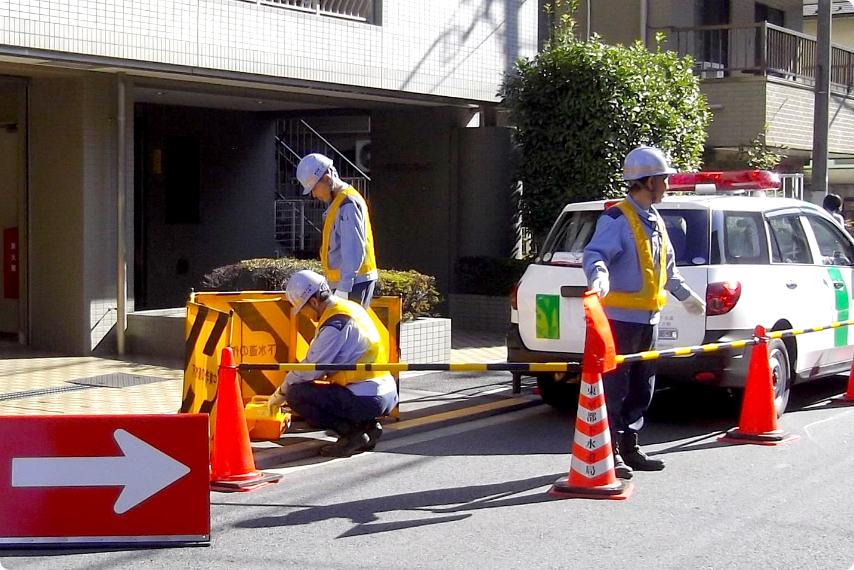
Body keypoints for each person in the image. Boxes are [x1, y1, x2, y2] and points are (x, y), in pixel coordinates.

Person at [582, 145, 706, 480]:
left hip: (649, 320)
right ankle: (609, 452)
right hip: (620, 321)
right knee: (615, 387)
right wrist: (599, 276)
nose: (668, 185)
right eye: (664, 179)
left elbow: (668, 271)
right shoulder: (616, 218)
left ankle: (631, 447)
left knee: (642, 387)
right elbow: (595, 254)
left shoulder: (656, 221)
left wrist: (686, 296)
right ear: (648, 181)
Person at [267, 270, 398, 457]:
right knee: (322, 394)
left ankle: (352, 434)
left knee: (297, 394)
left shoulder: (335, 325)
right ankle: (368, 427)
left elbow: (310, 370)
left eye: (303, 309)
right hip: (385, 393)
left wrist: (281, 392)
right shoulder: (350, 308)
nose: (305, 314)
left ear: (313, 302)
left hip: (367, 398)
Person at [296, 153, 378, 308]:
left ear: (327, 178)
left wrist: (343, 288)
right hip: (350, 282)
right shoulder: (339, 203)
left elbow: (352, 250)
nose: (314, 194)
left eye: (314, 188)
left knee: (349, 328)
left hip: (353, 284)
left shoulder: (347, 204)